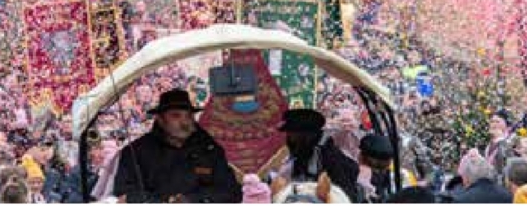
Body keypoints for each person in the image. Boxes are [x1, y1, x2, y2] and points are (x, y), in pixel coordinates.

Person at [113, 88, 242, 203]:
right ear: (160, 119)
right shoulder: (136, 152)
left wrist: (193, 200)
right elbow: (125, 194)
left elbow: (230, 191)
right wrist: (165, 202)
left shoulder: (210, 150)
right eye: (176, 116)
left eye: (189, 116)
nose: (184, 122)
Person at [274, 108, 360, 202]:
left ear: (306, 135)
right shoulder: (302, 154)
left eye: (292, 133)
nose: (290, 138)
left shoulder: (330, 157)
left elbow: (345, 195)